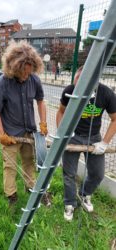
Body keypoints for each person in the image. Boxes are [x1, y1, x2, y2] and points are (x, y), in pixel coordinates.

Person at [0, 40, 51, 206]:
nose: (27, 76)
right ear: (14, 68)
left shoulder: (33, 79)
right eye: (24, 72)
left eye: (29, 72)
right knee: (10, 166)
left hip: (28, 131)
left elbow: (40, 101)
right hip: (10, 133)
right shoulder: (0, 85)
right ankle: (11, 196)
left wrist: (43, 122)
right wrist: (2, 135)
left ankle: (30, 187)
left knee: (28, 161)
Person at [56, 66, 116, 221]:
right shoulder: (69, 91)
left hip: (94, 138)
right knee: (69, 174)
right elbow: (61, 111)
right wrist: (62, 134)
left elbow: (115, 119)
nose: (79, 89)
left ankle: (84, 194)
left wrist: (104, 142)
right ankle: (69, 204)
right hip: (72, 136)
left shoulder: (106, 94)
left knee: (98, 173)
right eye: (77, 85)